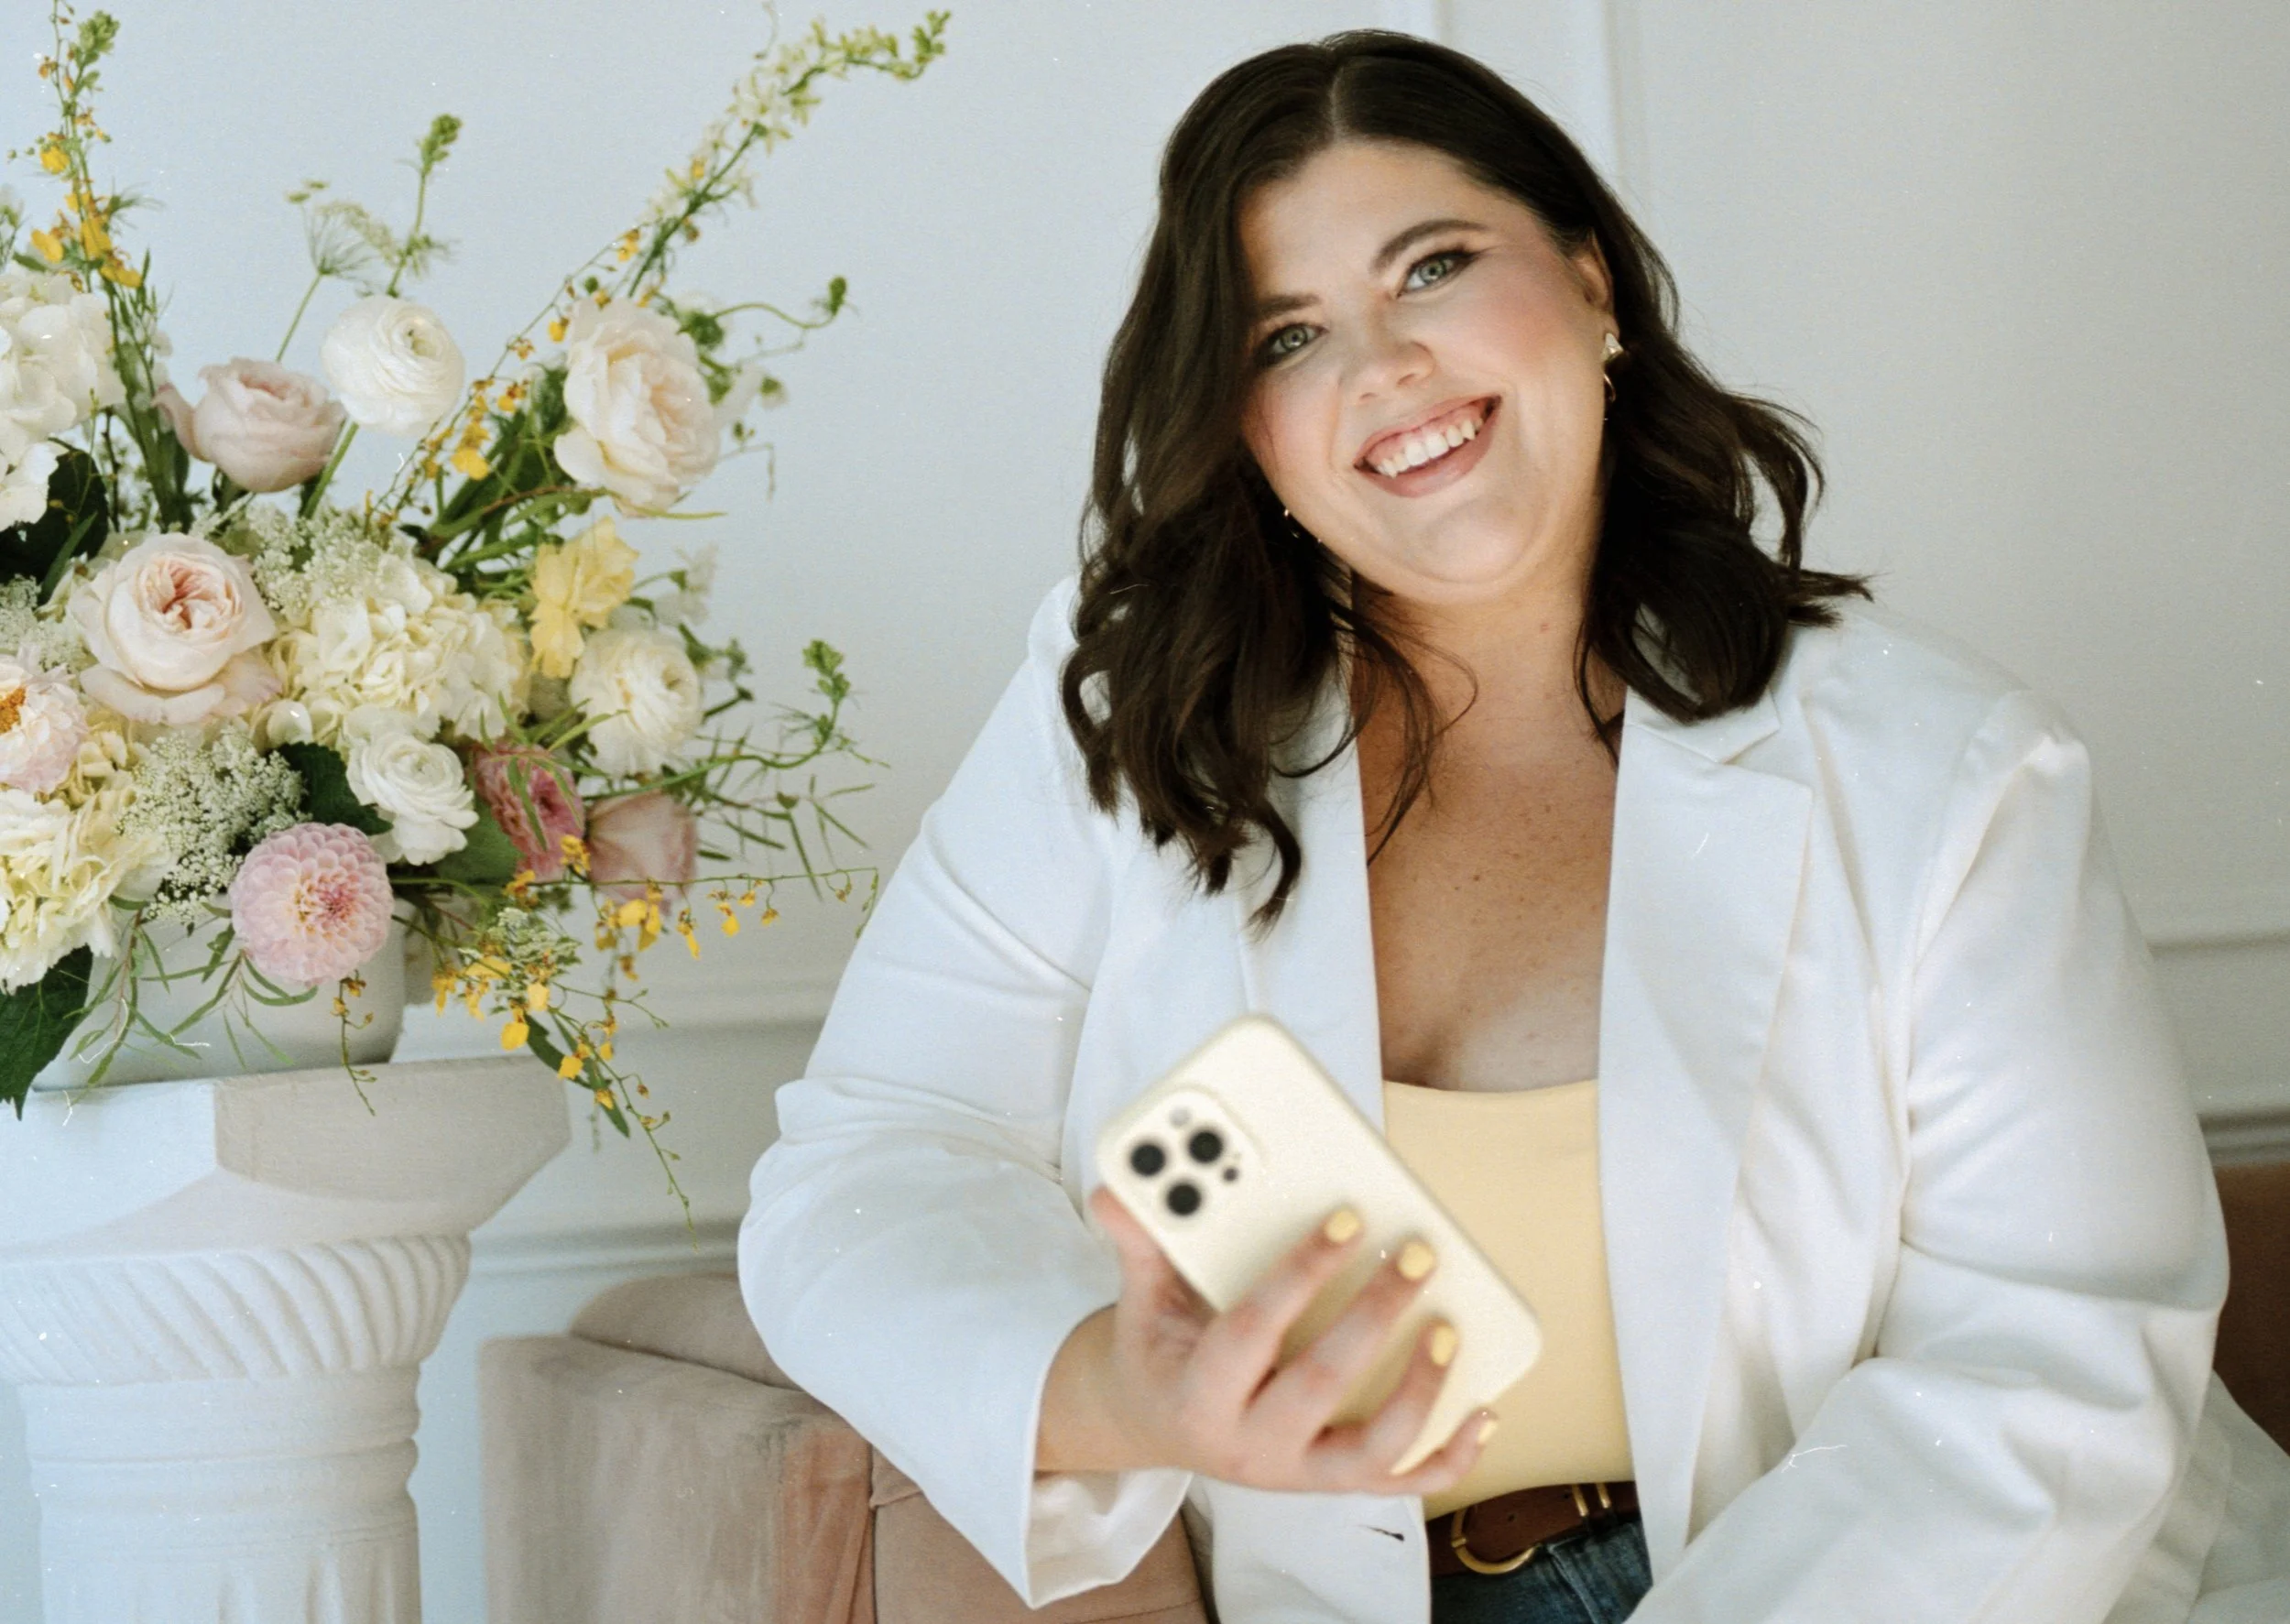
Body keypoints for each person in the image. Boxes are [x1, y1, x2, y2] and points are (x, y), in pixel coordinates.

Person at [739, 30, 2290, 1623]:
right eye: (1286, 337)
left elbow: (2052, 1363)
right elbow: (866, 1162)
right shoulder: (1128, 721)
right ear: (1246, 429)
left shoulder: (1949, 771)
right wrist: (1119, 1398)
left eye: (1434, 267)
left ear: (1591, 279)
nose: (1381, 367)